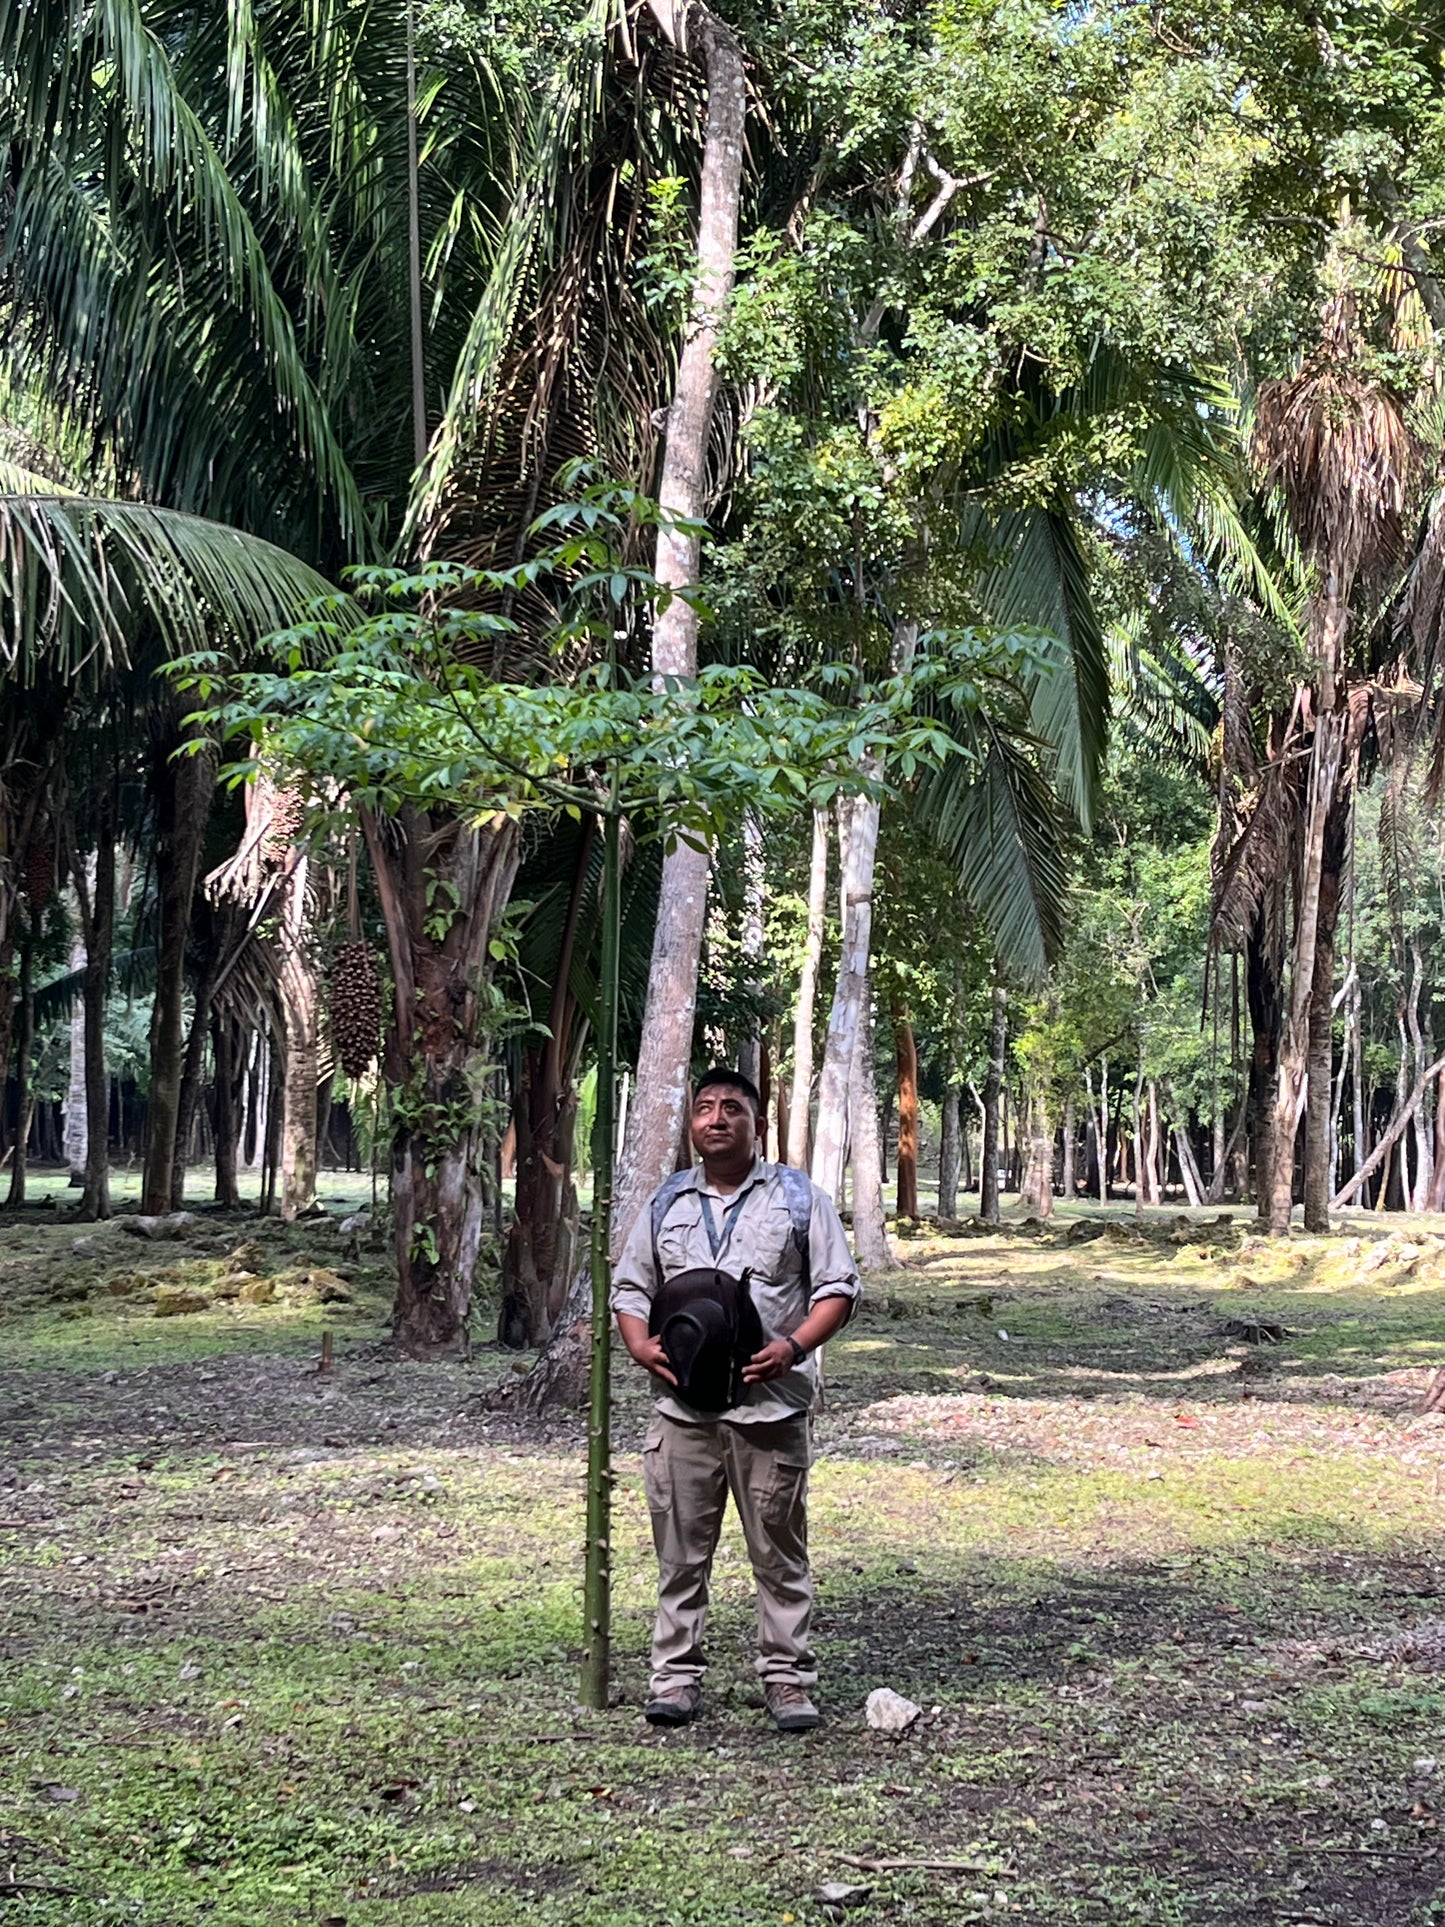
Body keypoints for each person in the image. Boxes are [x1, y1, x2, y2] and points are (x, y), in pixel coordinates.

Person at [611, 1066, 861, 1732]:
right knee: (679, 1552)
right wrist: (639, 1346)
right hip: (683, 1412)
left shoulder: (797, 1198)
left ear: (756, 1123)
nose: (716, 1118)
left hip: (769, 1409)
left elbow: (837, 1287)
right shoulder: (666, 1202)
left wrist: (793, 1345)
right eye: (704, 1107)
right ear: (690, 1124)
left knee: (778, 1552)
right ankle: (674, 1678)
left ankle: (786, 1678)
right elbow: (631, 1289)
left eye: (732, 1108)